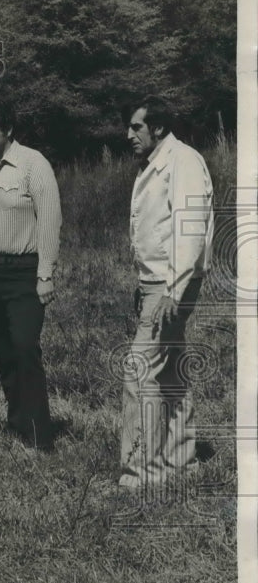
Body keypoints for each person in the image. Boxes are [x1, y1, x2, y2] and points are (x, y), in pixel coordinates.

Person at [120, 95, 213, 490]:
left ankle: (141, 472)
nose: (129, 135)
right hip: (156, 283)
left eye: (136, 127)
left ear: (157, 128)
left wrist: (172, 290)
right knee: (170, 371)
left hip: (172, 285)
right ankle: (182, 459)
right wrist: (144, 283)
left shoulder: (184, 161)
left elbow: (189, 227)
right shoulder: (156, 163)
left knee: (138, 370)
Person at [0, 102, 61, 450]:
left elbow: (50, 220)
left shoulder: (33, 165)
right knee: (4, 352)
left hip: (23, 274)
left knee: (24, 348)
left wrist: (45, 274)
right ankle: (19, 425)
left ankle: (40, 438)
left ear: (9, 130)